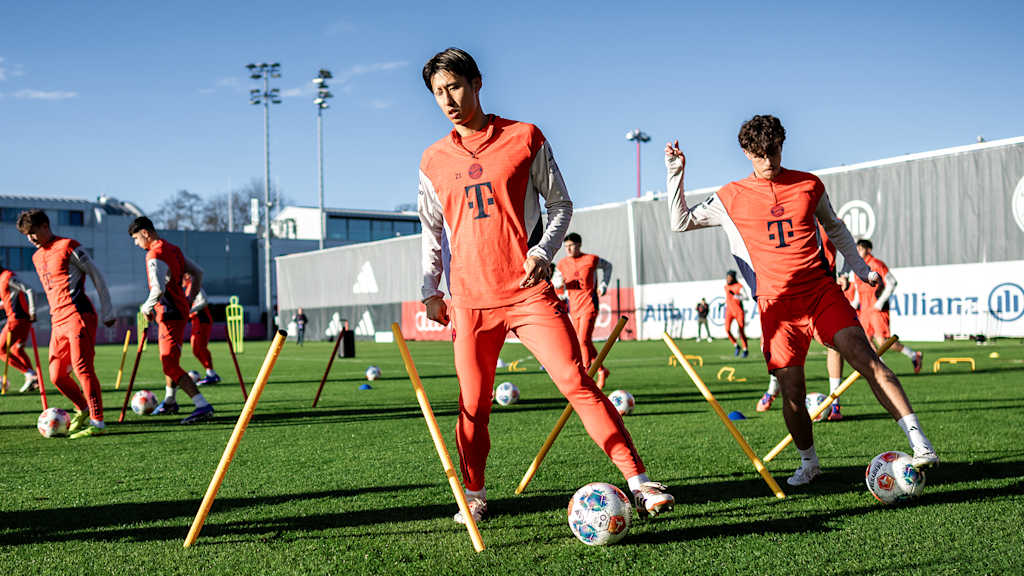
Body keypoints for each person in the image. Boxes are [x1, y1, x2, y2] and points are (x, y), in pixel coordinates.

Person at [417, 47, 674, 523]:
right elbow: (432, 231)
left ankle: (640, 483)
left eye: (454, 87)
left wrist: (541, 251)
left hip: (528, 291)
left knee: (577, 381)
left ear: (476, 83)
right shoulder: (432, 159)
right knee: (472, 405)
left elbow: (560, 205)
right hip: (470, 300)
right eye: (438, 92)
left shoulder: (524, 137)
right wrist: (430, 289)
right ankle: (474, 494)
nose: (448, 100)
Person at [666, 114, 938, 487]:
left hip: (820, 293)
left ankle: (921, 444)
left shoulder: (809, 184)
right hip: (776, 307)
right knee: (792, 393)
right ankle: (809, 463)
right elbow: (680, 222)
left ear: (782, 145)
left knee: (867, 359)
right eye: (759, 154)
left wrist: (860, 269)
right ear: (746, 153)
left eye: (774, 151)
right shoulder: (730, 196)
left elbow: (835, 228)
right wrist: (675, 172)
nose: (768, 160)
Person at [17, 209, 115, 438]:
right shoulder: (36, 256)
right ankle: (83, 409)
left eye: (33, 232)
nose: (30, 238)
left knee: (82, 368)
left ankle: (98, 422)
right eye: (26, 235)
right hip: (57, 320)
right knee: (57, 375)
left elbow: (96, 275)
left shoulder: (69, 246)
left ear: (45, 226)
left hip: (78, 314)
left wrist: (108, 310)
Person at [128, 217, 215, 424]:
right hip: (177, 311)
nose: (136, 243)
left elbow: (158, 289)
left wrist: (146, 307)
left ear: (145, 233)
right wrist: (189, 299)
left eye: (136, 238)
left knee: (169, 365)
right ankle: (169, 401)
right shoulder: (173, 249)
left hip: (169, 313)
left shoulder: (154, 253)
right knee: (170, 360)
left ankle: (202, 405)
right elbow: (198, 272)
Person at [853, 239, 924, 373]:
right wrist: (854, 305)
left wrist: (880, 303)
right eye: (857, 249)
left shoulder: (877, 264)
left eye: (861, 249)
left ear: (868, 250)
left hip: (876, 310)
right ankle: (881, 368)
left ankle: (914, 355)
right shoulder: (859, 267)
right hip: (864, 310)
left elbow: (892, 282)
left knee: (882, 342)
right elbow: (858, 289)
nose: (858, 251)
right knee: (865, 340)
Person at [552, 233, 612, 387]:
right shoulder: (562, 264)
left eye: (571, 245)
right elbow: (556, 283)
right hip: (574, 307)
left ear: (579, 245)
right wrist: (558, 285)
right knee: (583, 342)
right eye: (566, 246)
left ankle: (586, 374)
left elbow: (608, 266)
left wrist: (604, 284)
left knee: (582, 341)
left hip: (590, 305)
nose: (568, 249)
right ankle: (601, 370)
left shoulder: (591, 259)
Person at [0, 265, 40, 393]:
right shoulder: (3, 278)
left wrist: (33, 311)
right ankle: (34, 379)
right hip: (22, 321)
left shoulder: (7, 277)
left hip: (16, 320)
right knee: (17, 349)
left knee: (1, 350)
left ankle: (29, 374)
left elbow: (30, 290)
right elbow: (8, 300)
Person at [183, 273, 220, 385]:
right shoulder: (188, 288)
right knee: (196, 349)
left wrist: (190, 311)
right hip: (196, 321)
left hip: (202, 320)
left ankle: (211, 374)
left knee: (199, 347)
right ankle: (211, 374)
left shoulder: (195, 286)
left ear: (187, 276)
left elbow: (204, 301)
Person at [723, 270, 749, 357]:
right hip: (729, 311)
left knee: (741, 331)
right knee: (727, 329)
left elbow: (746, 297)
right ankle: (736, 345)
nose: (728, 279)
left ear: (733, 278)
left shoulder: (739, 286)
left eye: (729, 277)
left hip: (738, 311)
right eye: (727, 277)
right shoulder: (726, 286)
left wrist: (736, 296)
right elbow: (728, 298)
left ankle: (745, 349)